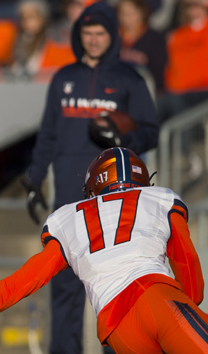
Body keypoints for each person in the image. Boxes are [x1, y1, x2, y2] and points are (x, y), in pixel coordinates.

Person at [0, 147, 208, 354]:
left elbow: (11, 289)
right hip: (159, 300)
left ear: (92, 189)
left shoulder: (68, 220)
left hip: (118, 327)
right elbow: (191, 278)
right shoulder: (160, 199)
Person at [20, 2, 159, 354]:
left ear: (112, 35)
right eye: (87, 33)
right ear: (78, 35)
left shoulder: (129, 79)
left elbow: (151, 131)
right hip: (69, 198)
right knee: (64, 284)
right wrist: (35, 181)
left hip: (115, 199)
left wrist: (122, 139)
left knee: (116, 285)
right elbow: (47, 135)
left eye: (100, 33)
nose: (94, 40)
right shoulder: (64, 78)